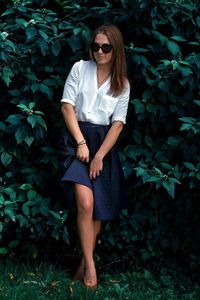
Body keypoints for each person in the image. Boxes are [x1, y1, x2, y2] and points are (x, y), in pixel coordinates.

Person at [59, 24, 130, 288]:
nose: (99, 51)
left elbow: (118, 124)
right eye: (95, 46)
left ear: (116, 50)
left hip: (104, 146)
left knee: (97, 209)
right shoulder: (80, 68)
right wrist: (80, 143)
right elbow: (67, 106)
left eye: (106, 47)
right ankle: (90, 266)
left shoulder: (122, 84)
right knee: (86, 203)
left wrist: (99, 155)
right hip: (75, 139)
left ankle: (82, 262)